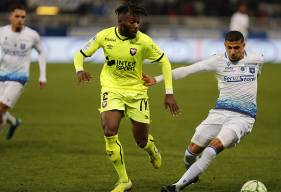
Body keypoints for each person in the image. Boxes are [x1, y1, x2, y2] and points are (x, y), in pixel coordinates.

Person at [73, 1, 179, 192]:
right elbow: (80, 54)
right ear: (121, 23)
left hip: (137, 93)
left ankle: (151, 148)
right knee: (109, 130)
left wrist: (169, 93)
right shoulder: (104, 36)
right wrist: (80, 69)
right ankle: (124, 180)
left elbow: (165, 62)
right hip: (111, 89)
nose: (137, 26)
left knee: (141, 141)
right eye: (133, 22)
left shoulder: (144, 41)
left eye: (138, 22)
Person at [143, 31, 264, 192]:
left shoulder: (257, 59)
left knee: (211, 150)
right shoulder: (217, 60)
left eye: (237, 48)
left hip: (243, 117)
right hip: (219, 112)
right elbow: (188, 70)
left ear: (244, 46)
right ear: (225, 46)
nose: (233, 52)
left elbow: (257, 75)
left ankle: (177, 186)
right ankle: (192, 175)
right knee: (191, 152)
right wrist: (157, 79)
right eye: (229, 48)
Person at [0, 4, 47, 139]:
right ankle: (14, 122)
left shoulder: (31, 35)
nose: (20, 19)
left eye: (23, 17)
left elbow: (41, 52)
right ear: (10, 17)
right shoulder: (2, 32)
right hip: (1, 75)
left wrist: (42, 76)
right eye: (17, 16)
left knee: (1, 108)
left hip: (19, 77)